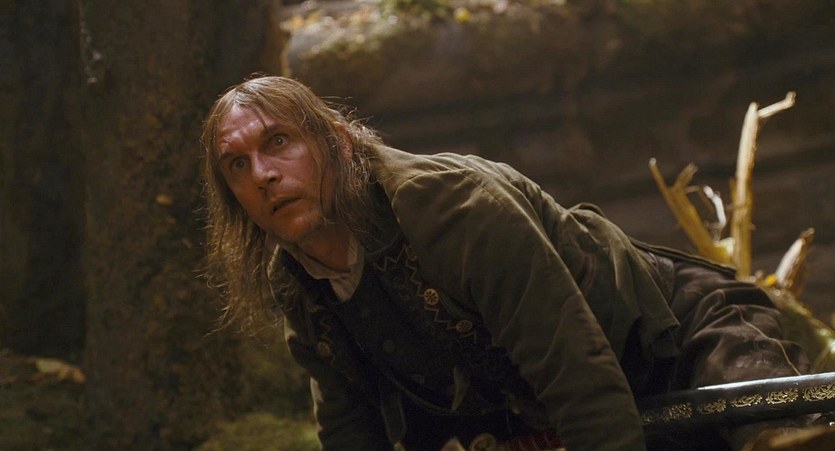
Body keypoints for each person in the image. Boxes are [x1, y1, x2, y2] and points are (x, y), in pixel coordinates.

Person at [200, 76, 809, 451]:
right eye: (238, 164)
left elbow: (578, 375)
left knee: (780, 436)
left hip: (682, 343)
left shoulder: (451, 207)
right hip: (533, 420)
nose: (263, 174)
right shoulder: (298, 280)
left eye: (278, 141)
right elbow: (349, 430)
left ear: (336, 140)